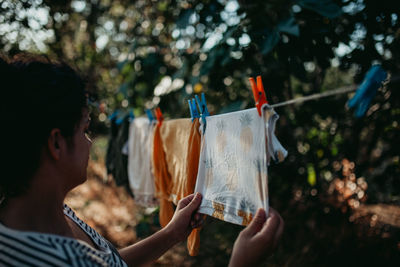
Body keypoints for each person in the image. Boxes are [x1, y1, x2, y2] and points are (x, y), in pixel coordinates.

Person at [0, 53, 284, 266]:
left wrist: (172, 232)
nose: (90, 142)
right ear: (56, 143)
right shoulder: (56, 260)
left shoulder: (49, 214)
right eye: (85, 130)